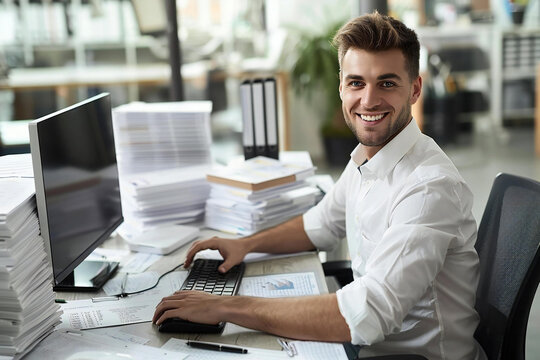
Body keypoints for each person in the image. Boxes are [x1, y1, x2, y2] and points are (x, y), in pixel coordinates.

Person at [153, 12, 486, 359]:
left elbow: (367, 314)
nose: (369, 100)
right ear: (341, 86)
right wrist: (244, 245)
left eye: (387, 83)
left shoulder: (427, 188)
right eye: (357, 83)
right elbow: (322, 224)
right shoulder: (368, 157)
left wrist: (225, 308)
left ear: (414, 88)